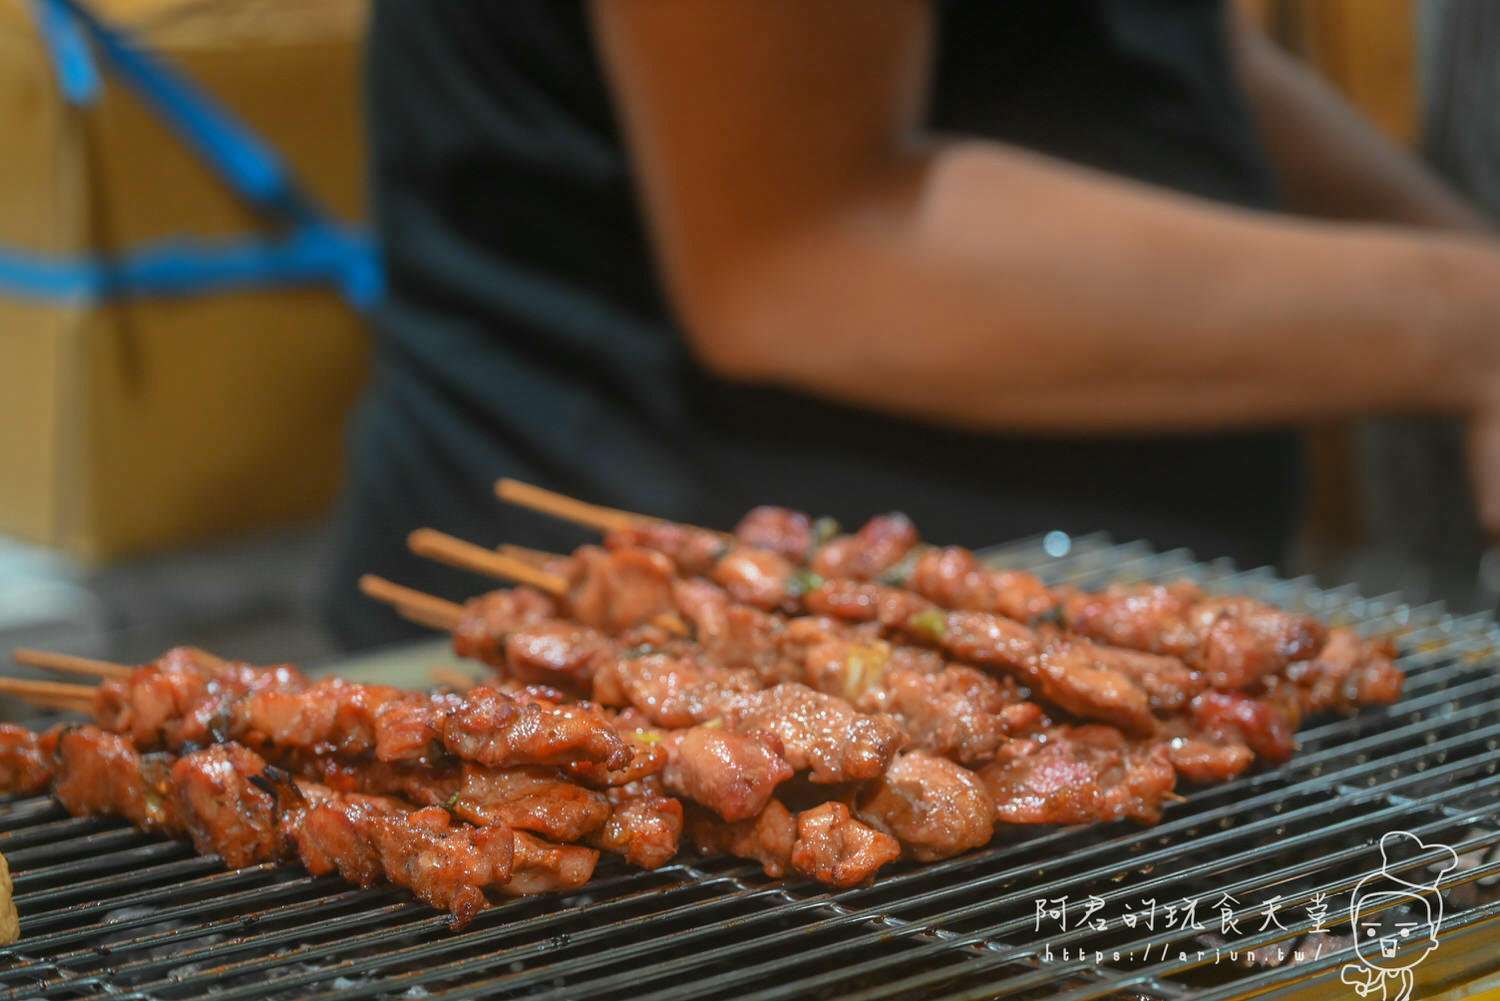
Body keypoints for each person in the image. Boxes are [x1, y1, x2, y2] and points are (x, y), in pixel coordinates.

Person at [325, 0, 1498, 648]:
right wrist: (1467, 326)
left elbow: (1177, 55)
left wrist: (1471, 269)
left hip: (1126, 653)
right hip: (650, 612)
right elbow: (804, 247)